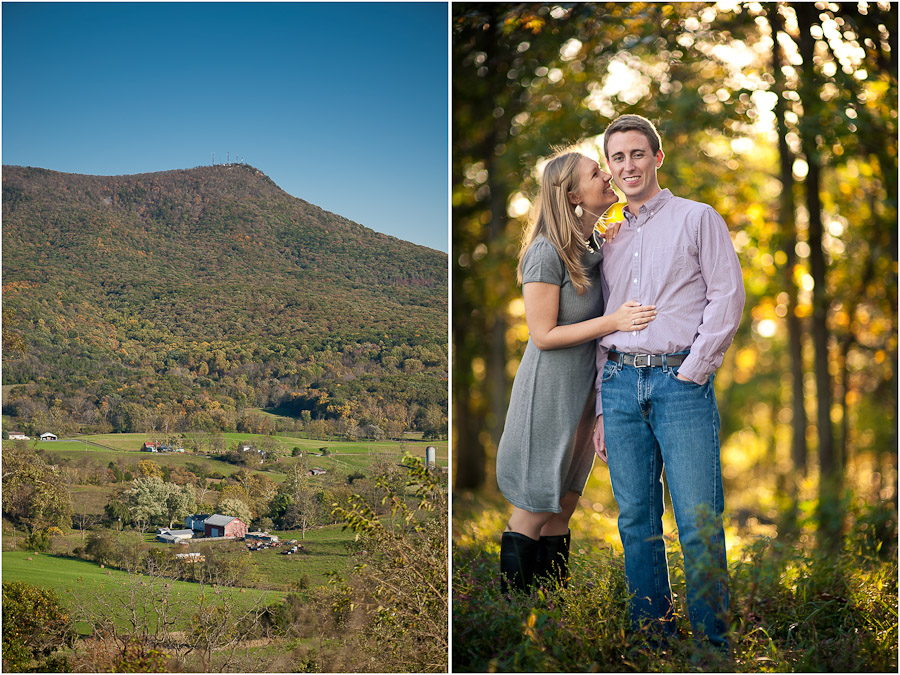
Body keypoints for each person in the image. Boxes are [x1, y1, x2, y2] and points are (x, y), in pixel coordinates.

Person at [592, 114, 744, 648]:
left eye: (637, 154)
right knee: (636, 519)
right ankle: (651, 637)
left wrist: (694, 370)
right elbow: (601, 316)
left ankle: (711, 644)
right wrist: (601, 408)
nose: (628, 165)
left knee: (699, 518)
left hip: (680, 383)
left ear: (657, 158)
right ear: (609, 169)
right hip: (617, 382)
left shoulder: (698, 218)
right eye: (617, 158)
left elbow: (727, 296)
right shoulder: (604, 234)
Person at [496, 148, 657, 594]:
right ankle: (510, 619)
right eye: (595, 173)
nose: (608, 176)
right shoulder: (545, 252)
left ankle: (549, 615)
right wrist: (614, 321)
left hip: (583, 395)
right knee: (533, 507)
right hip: (548, 393)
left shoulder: (591, 249)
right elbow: (543, 334)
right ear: (571, 195)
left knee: (564, 505)